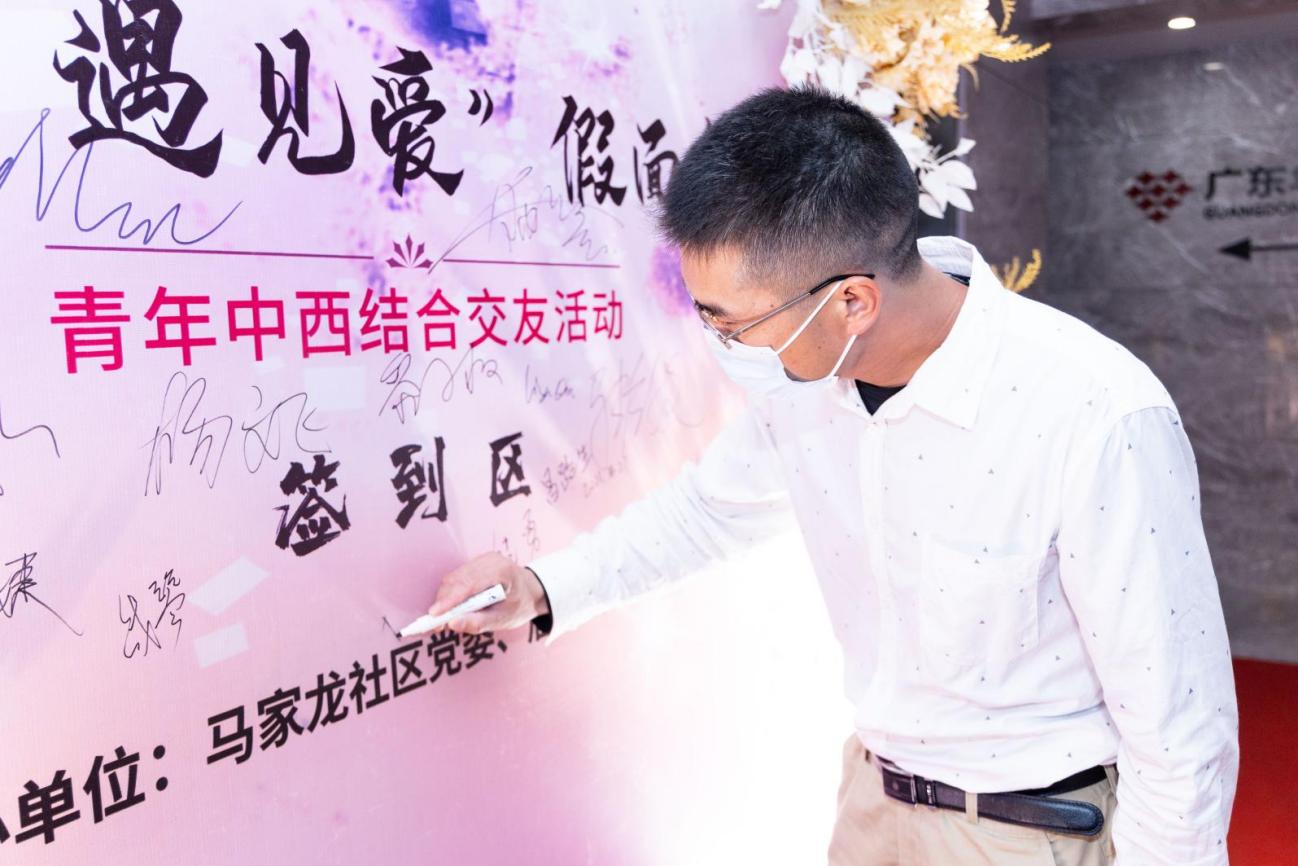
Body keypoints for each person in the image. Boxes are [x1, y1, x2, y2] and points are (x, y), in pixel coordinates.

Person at [424, 84, 1239, 865]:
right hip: (873, 802)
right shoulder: (803, 381)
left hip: (1030, 830)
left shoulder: (1094, 411)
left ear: (852, 302)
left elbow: (1177, 726)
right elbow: (706, 514)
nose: (722, 344)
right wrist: (540, 587)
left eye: (731, 323)